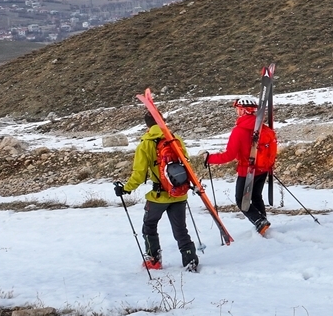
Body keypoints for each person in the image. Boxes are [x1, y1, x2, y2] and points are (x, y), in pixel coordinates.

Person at [114, 112, 199, 272]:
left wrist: (125, 189)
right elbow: (187, 165)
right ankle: (190, 260)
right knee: (181, 229)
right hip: (179, 193)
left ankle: (153, 260)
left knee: (149, 225)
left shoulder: (145, 144)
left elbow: (138, 175)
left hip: (158, 197)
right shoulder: (176, 139)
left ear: (147, 125)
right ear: (162, 121)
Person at [204, 98, 273, 236]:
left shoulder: (239, 130)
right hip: (263, 169)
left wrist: (209, 158)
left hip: (247, 171)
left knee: (242, 201)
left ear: (243, 110)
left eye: (238, 109)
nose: (236, 112)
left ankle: (260, 221)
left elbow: (229, 155)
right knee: (256, 196)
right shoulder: (263, 128)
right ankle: (263, 222)